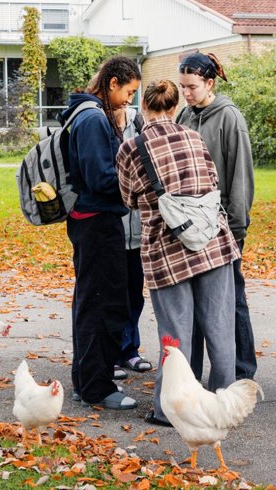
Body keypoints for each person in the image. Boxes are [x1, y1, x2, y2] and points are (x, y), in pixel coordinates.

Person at [115, 80, 240, 427]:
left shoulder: (132, 149)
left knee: (175, 335)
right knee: (219, 328)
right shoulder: (194, 137)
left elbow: (127, 198)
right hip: (213, 242)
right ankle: (224, 404)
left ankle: (169, 409)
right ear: (173, 107)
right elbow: (212, 180)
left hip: (166, 250)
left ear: (144, 106)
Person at [63, 56, 141, 410]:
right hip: (98, 221)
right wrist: (138, 181)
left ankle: (86, 379)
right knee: (104, 305)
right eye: (128, 91)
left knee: (90, 302)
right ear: (113, 83)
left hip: (89, 219)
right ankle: (97, 387)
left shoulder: (84, 112)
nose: (128, 99)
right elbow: (100, 178)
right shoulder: (94, 118)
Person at [175, 52, 257, 381]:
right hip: (190, 227)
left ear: (210, 83)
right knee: (194, 305)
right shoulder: (184, 114)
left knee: (231, 300)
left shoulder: (229, 118)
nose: (186, 92)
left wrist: (237, 228)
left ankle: (242, 372)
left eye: (192, 86)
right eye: (182, 86)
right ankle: (191, 375)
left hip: (223, 227)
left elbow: (241, 176)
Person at [112, 105, 153, 381]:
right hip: (113, 228)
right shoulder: (102, 124)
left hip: (137, 229)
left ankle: (130, 350)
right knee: (113, 296)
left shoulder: (139, 124)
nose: (124, 104)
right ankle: (111, 354)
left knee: (134, 295)